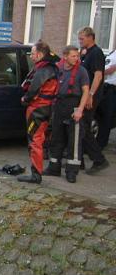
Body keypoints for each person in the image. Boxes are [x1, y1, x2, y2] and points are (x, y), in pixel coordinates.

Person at [46, 45, 90, 183]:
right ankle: (54, 167)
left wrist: (80, 110)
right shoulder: (58, 69)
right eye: (73, 56)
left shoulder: (81, 71)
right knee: (56, 139)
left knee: (74, 142)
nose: (76, 58)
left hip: (73, 106)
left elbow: (85, 92)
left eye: (77, 56)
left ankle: (71, 172)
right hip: (59, 106)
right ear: (65, 56)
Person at [18, 40, 59, 184]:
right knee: (39, 139)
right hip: (47, 109)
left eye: (33, 54)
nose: (31, 56)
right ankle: (37, 172)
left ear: (40, 54)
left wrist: (25, 99)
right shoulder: (53, 68)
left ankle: (36, 175)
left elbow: (33, 89)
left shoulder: (42, 70)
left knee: (35, 141)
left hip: (37, 110)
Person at [78, 26, 110, 174]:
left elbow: (98, 76)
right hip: (84, 94)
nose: (80, 41)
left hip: (91, 96)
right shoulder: (86, 53)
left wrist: (91, 94)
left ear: (91, 37)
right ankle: (79, 160)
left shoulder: (96, 53)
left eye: (82, 38)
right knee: (80, 126)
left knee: (84, 127)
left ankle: (99, 159)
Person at [100, 47, 116, 148]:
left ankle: (101, 143)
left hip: (113, 89)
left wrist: (99, 72)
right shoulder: (112, 52)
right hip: (106, 87)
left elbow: (111, 69)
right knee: (103, 116)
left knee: (107, 118)